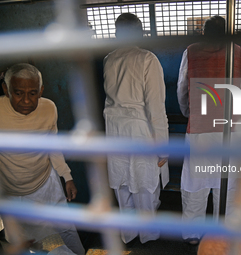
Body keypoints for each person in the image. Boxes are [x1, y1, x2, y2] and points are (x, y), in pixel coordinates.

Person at [177, 15, 241, 244]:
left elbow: (182, 87)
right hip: (230, 128)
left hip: (199, 128)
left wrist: (190, 113)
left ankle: (192, 234)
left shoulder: (191, 51)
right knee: (226, 181)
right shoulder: (238, 52)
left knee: (195, 182)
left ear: (204, 33)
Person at [0, 63, 85, 254]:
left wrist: (67, 176)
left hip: (47, 184)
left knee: (65, 229)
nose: (26, 101)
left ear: (41, 91)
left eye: (32, 93)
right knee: (42, 244)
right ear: (6, 90)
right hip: (15, 195)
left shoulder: (49, 108)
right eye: (18, 93)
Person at [103, 13, 169, 244]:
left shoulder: (109, 59)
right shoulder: (147, 59)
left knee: (122, 183)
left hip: (114, 126)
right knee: (145, 183)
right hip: (140, 127)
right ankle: (148, 234)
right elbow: (156, 107)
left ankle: (128, 233)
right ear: (140, 33)